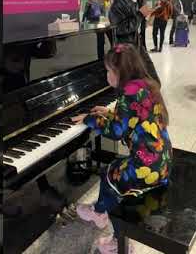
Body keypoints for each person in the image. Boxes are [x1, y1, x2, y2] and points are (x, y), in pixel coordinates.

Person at [71, 43, 172, 253]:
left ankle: (116, 236)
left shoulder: (128, 92)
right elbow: (130, 119)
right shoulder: (145, 85)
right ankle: (101, 211)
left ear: (119, 72)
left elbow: (116, 131)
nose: (107, 75)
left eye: (108, 71)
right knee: (114, 170)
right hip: (162, 160)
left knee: (110, 174)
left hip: (148, 167)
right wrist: (107, 114)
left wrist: (90, 119)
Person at [108, 0, 160, 85]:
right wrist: (140, 14)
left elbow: (138, 20)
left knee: (154, 80)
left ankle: (148, 101)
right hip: (125, 51)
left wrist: (148, 13)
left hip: (137, 44)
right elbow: (119, 29)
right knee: (131, 85)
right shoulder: (118, 1)